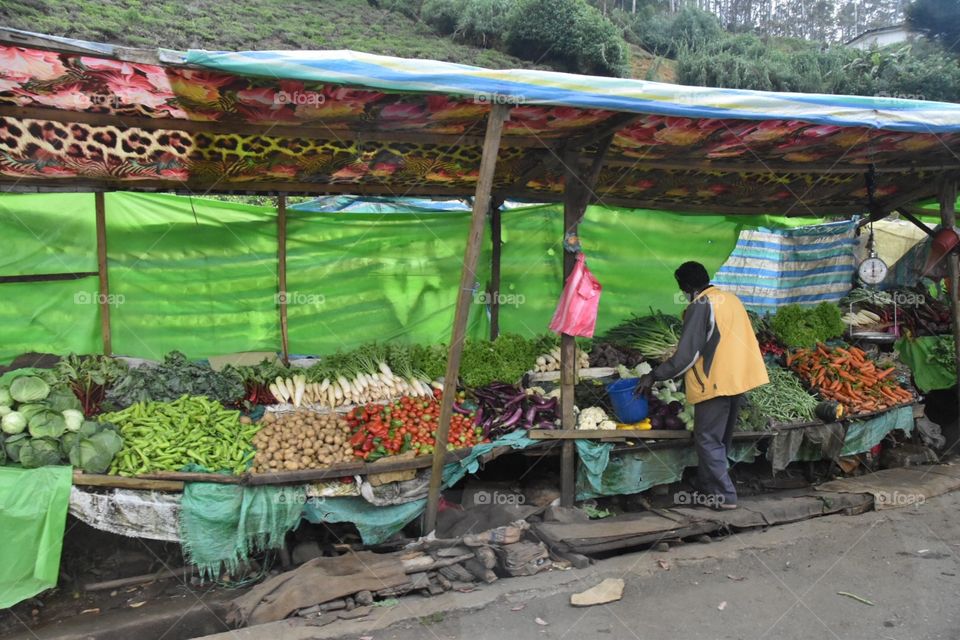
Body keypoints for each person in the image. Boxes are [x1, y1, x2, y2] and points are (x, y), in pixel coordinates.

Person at [636, 262, 768, 509]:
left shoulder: (701, 305)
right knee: (720, 439)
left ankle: (724, 496)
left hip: (714, 381)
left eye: (681, 288)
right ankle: (708, 485)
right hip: (737, 378)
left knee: (707, 439)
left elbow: (686, 356)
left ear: (686, 286)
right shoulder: (730, 299)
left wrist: (654, 375)